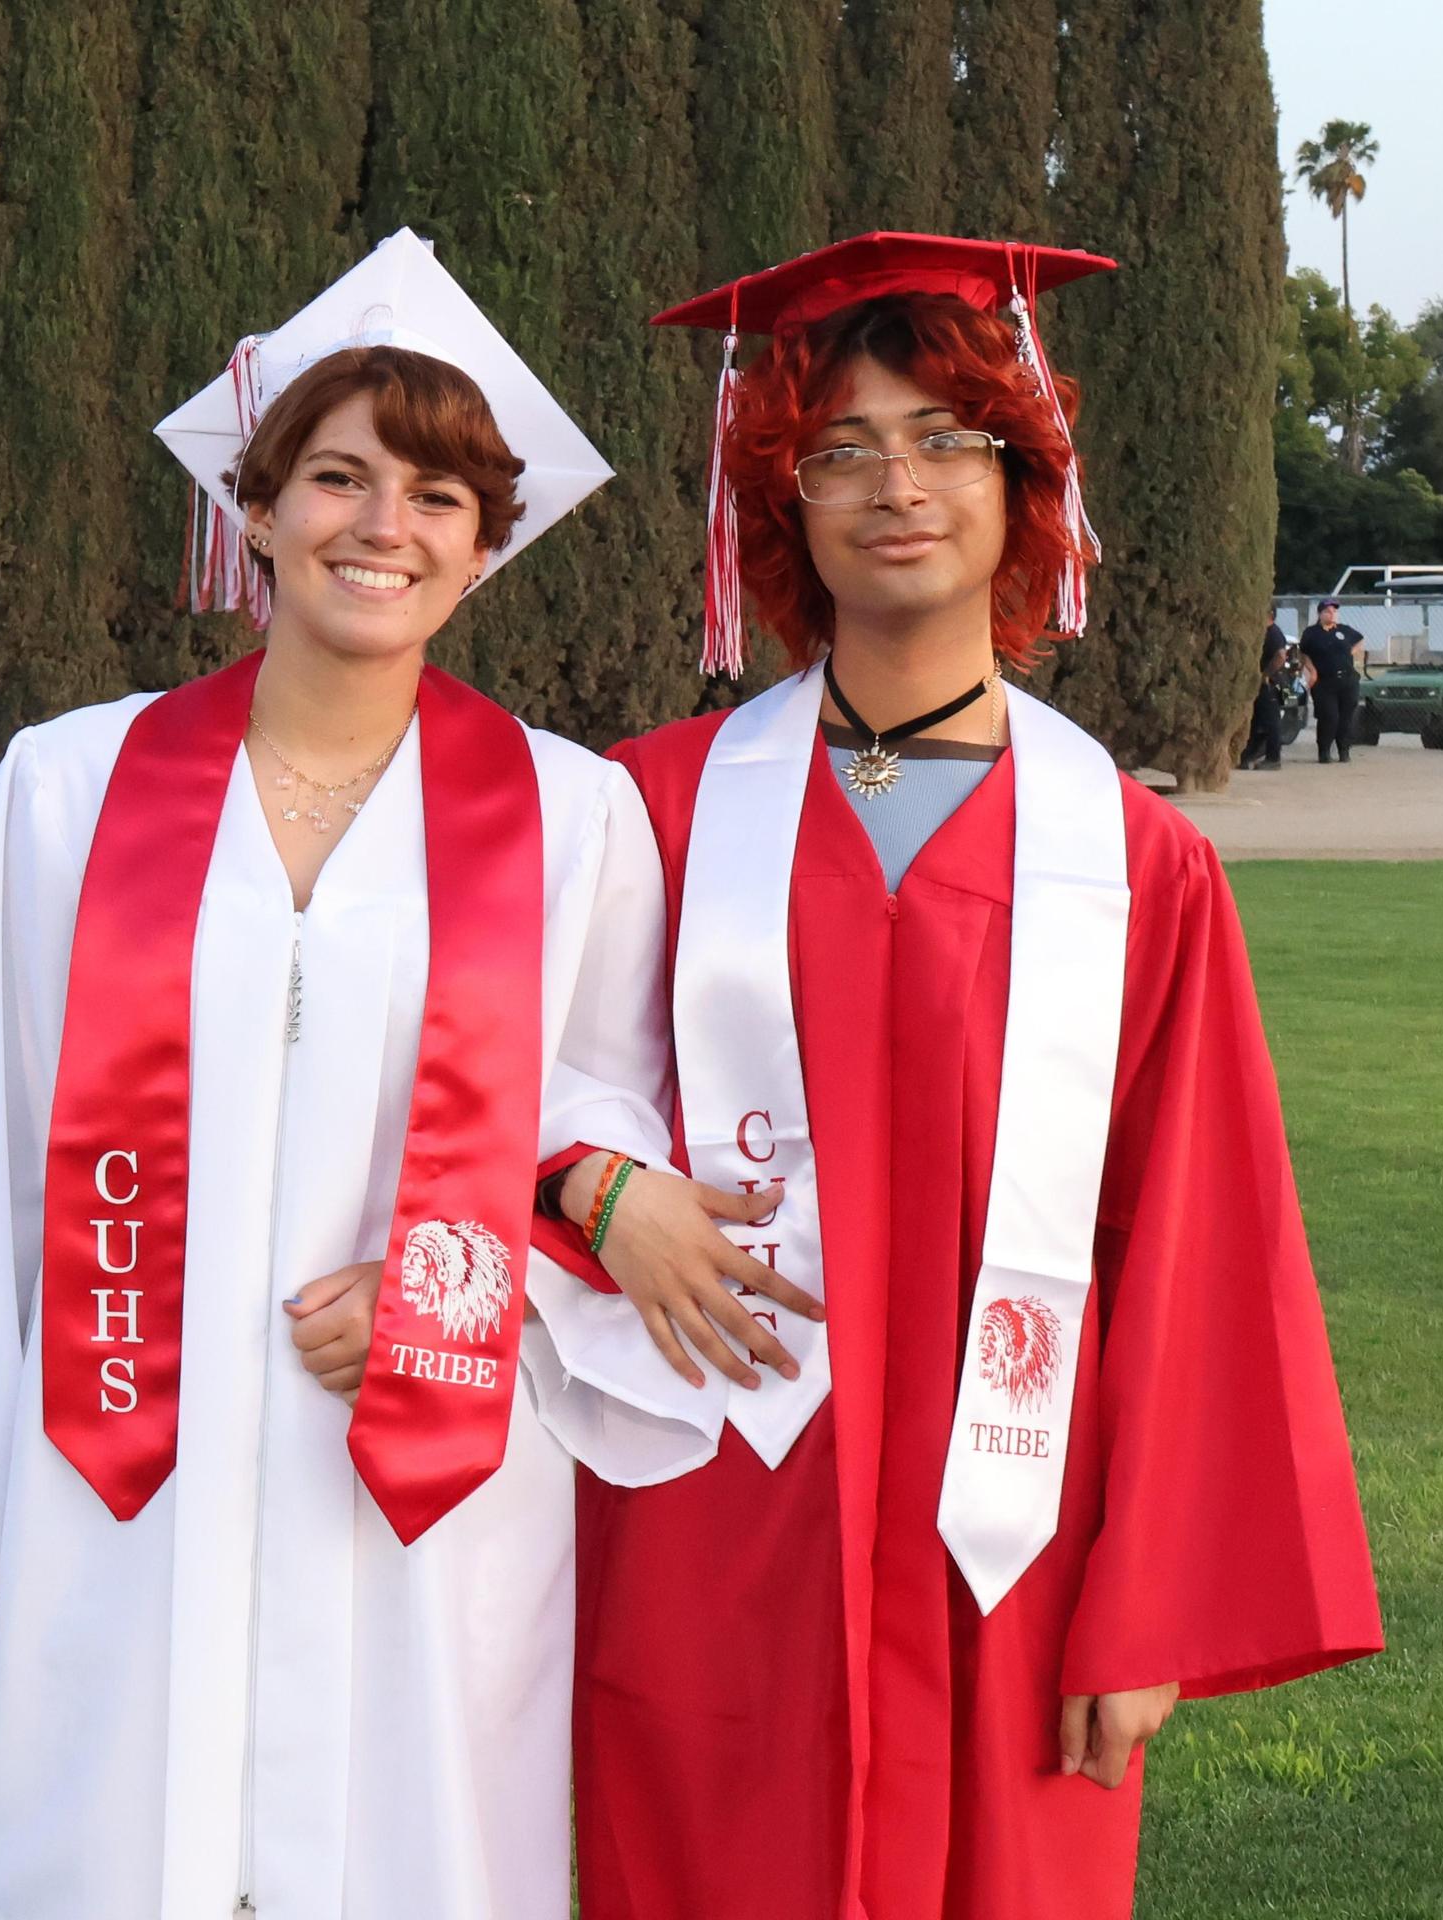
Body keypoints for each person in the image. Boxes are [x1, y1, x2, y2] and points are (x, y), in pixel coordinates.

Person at [0, 230, 782, 1920]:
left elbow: (596, 1130)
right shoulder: (70, 795)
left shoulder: (574, 818)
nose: (383, 524)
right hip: (108, 1484)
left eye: (437, 494)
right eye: (338, 476)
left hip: (423, 1483)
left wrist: (461, 1280)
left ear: (483, 543)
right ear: (259, 505)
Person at [544, 232, 1384, 1920]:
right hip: (719, 1518)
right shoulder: (644, 811)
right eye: (838, 450)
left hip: (1017, 1547)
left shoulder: (1136, 868)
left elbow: (1200, 1255)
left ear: (1026, 487)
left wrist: (1141, 1603)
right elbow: (473, 1087)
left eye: (945, 439)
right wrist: (592, 1186)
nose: (894, 485)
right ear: (779, 502)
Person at [1300, 597, 1366, 762]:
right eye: (1328, 611)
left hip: (1347, 680)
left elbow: (1360, 640)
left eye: (1334, 611)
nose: (1332, 614)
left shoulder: (1344, 630)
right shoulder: (1312, 633)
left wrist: (1351, 652)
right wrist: (1312, 671)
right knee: (1329, 716)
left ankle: (1344, 750)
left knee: (1346, 717)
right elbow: (1303, 653)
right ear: (1320, 613)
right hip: (1324, 682)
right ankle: (1324, 751)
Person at [1241, 606, 1289, 769]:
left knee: (1271, 722)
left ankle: (1273, 758)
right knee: (1257, 721)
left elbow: (1281, 656)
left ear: (1270, 615)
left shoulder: (1274, 633)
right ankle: (1247, 756)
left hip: (1270, 684)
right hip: (1260, 684)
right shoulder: (1262, 633)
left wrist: (1266, 674)